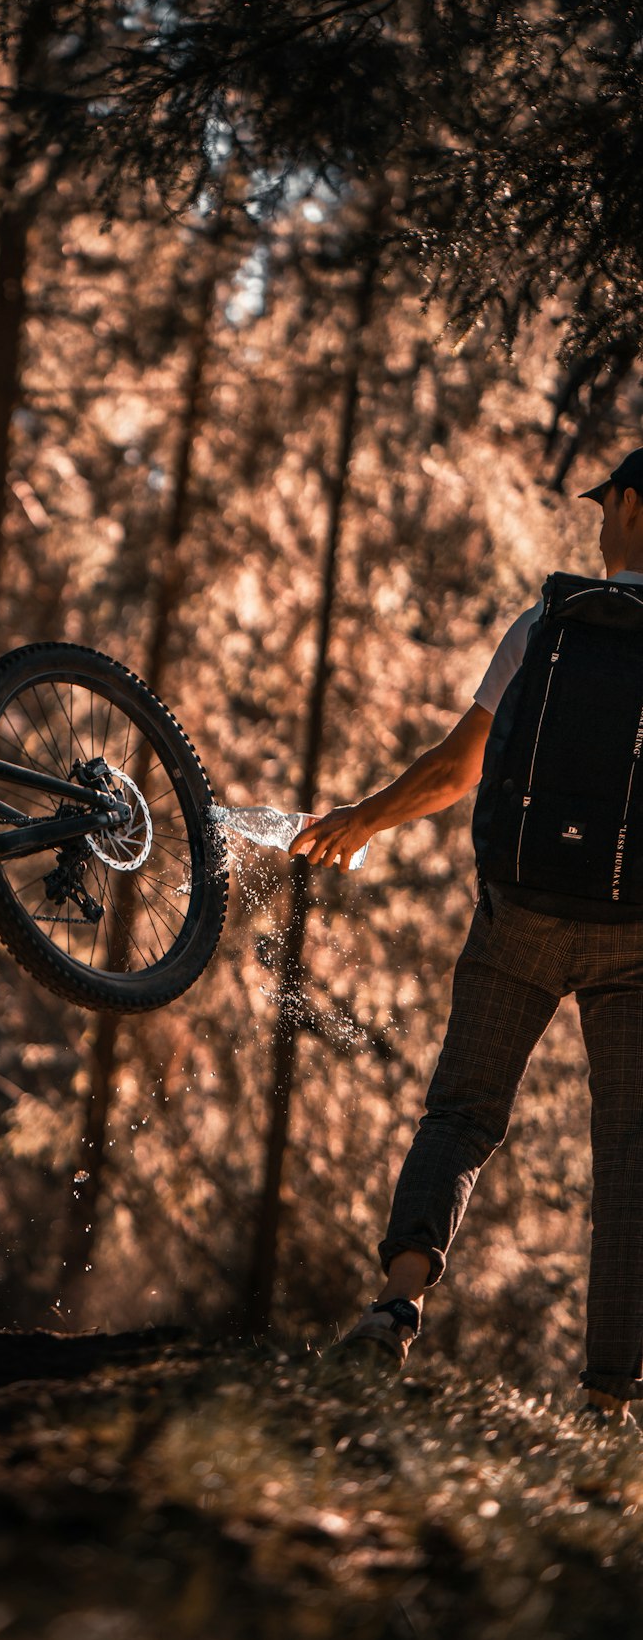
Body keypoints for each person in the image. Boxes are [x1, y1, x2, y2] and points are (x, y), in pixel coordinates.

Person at [291, 451, 643, 1428]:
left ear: (627, 506)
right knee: (626, 1157)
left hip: (520, 911)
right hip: (635, 933)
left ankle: (398, 1299)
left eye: (607, 503)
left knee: (462, 1110)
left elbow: (457, 765)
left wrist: (362, 818)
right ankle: (607, 1402)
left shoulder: (549, 622)